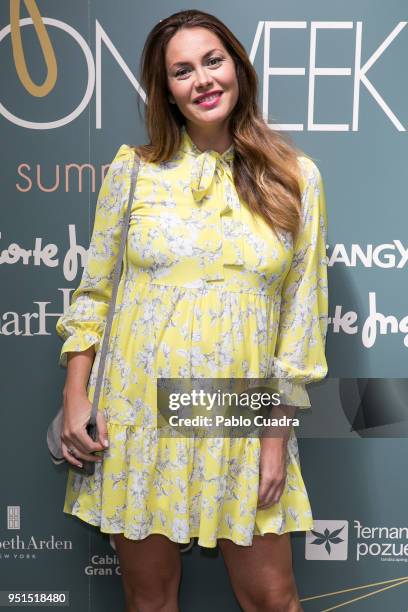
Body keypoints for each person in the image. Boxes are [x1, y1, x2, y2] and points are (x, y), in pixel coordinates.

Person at [55, 9, 329, 612]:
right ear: (167, 91)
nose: (202, 79)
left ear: (237, 68)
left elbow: (300, 323)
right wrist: (76, 396)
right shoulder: (133, 171)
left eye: (213, 61)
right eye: (182, 71)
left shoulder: (295, 177)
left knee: (272, 598)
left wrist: (274, 438)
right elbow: (94, 294)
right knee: (148, 598)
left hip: (235, 409)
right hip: (133, 407)